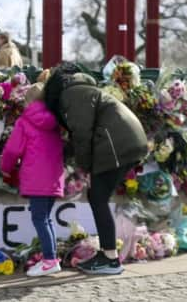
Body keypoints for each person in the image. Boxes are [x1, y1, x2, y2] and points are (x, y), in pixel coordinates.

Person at [43, 63, 147, 275]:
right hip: (128, 140)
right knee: (97, 197)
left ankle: (110, 259)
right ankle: (108, 255)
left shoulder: (71, 95)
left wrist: (85, 167)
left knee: (98, 198)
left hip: (116, 144)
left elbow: (82, 133)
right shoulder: (85, 89)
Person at [1, 82, 64, 277]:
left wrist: (5, 168)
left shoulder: (25, 121)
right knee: (46, 219)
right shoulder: (56, 121)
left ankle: (49, 260)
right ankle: (51, 259)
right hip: (54, 178)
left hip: (36, 179)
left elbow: (12, 150)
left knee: (40, 219)